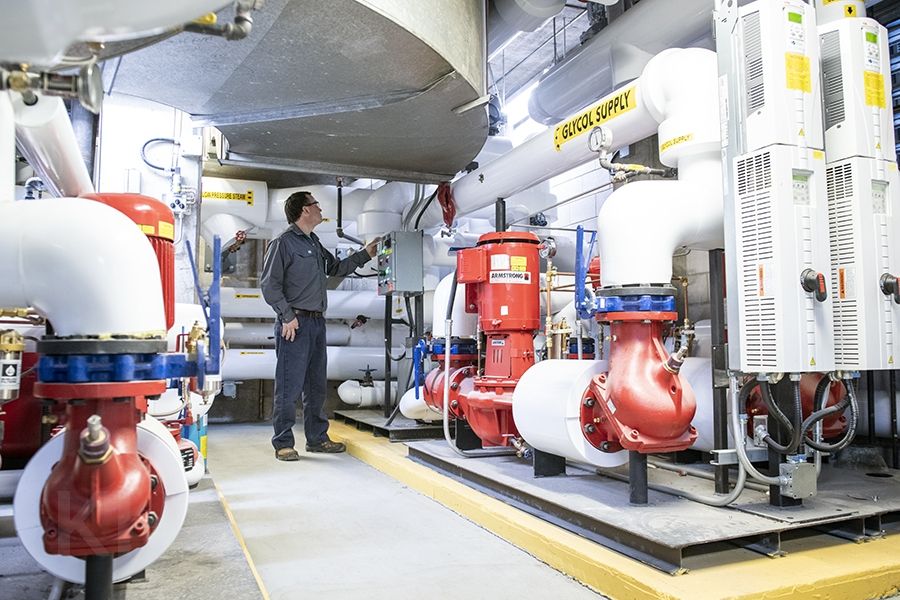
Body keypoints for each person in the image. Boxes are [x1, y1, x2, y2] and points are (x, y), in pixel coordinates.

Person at [261, 191, 378, 461]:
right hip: (295, 323)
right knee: (289, 385)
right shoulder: (283, 243)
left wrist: (366, 254)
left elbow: (335, 268)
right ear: (305, 210)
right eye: (316, 204)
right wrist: (287, 316)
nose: (320, 207)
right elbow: (269, 284)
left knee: (315, 385)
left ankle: (317, 438)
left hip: (316, 323)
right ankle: (283, 442)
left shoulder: (314, 242)